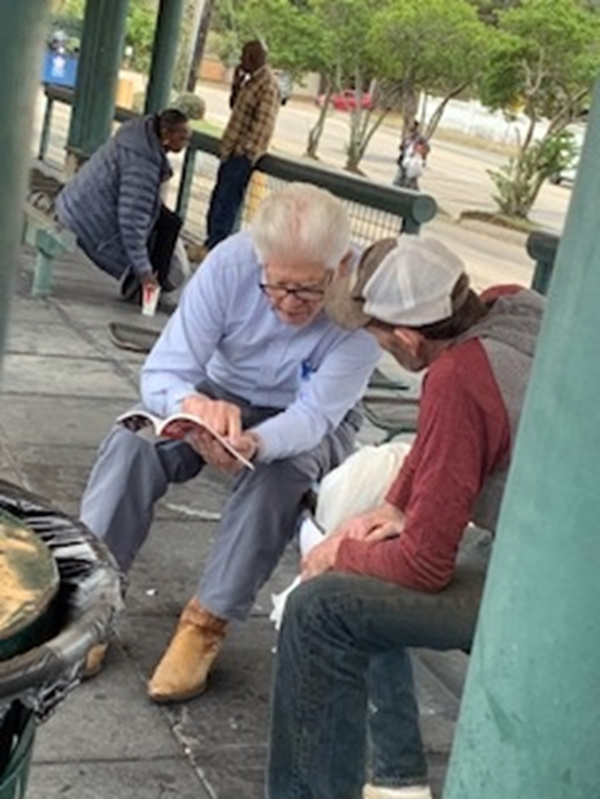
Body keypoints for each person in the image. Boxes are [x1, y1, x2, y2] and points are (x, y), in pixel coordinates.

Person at [267, 235, 545, 799]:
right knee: (370, 570)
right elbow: (434, 445)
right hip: (550, 542)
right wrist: (393, 505)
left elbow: (424, 565)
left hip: (551, 588)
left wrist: (339, 550)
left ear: (408, 337)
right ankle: (398, 778)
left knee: (321, 608)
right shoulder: (511, 303)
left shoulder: (459, 378)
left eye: (373, 332)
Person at [80, 182, 381, 702]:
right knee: (132, 443)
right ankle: (91, 598)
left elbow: (313, 418)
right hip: (219, 392)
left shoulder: (360, 308)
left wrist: (253, 444)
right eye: (277, 285)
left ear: (340, 265)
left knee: (280, 478)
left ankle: (207, 622)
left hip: (305, 414)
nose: (289, 304)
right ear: (259, 260)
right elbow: (166, 370)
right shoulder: (230, 264)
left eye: (308, 290)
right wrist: (192, 407)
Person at [56, 108, 191, 301]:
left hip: (76, 203)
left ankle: (153, 280)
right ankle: (147, 287)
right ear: (167, 133)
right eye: (183, 137)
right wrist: (144, 271)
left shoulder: (139, 138)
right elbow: (132, 221)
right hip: (86, 217)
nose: (187, 143)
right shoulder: (141, 163)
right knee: (164, 224)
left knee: (168, 221)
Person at [204, 40, 280, 252]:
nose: (240, 61)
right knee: (219, 198)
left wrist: (244, 152)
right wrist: (236, 85)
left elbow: (262, 126)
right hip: (231, 151)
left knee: (227, 203)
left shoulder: (267, 85)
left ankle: (215, 246)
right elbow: (236, 108)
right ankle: (210, 242)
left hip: (241, 155)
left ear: (253, 58)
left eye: (243, 57)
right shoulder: (251, 81)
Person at [394, 121, 429, 189]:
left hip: (413, 162)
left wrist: (419, 153)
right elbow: (402, 147)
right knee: (402, 178)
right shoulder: (408, 137)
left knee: (409, 180)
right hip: (405, 161)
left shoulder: (420, 138)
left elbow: (426, 149)